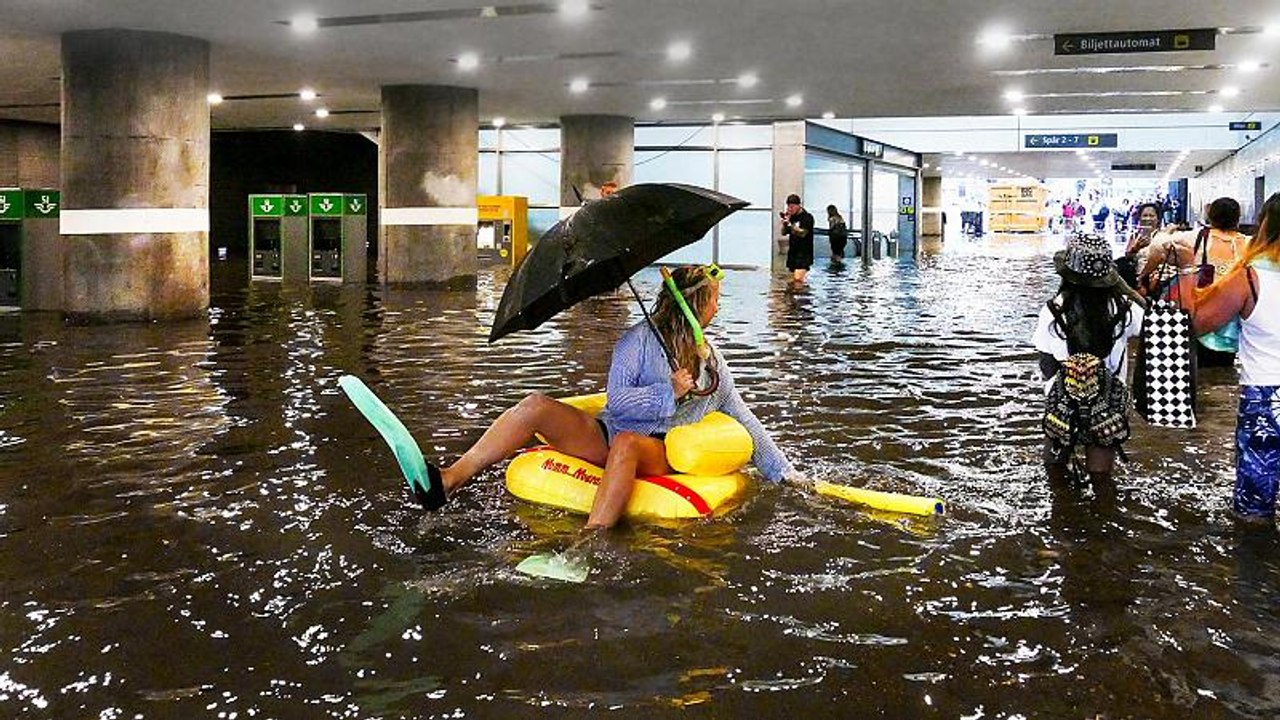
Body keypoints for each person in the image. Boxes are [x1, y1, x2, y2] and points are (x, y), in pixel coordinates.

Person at [426, 264, 799, 529]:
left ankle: (591, 541)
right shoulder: (636, 341)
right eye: (714, 299)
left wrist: (783, 473)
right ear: (697, 304)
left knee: (626, 443)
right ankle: (451, 479)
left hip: (656, 449)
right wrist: (666, 391)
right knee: (535, 405)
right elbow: (617, 402)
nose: (718, 307)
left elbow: (742, 417)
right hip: (610, 433)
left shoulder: (712, 360)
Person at [1166, 192, 1279, 524]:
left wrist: (1187, 269)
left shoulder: (1251, 278)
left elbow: (1195, 323)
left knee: (1255, 510)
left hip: (1267, 398)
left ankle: (1255, 569)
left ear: (1265, 227)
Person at [1032, 233, 1145, 487]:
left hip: (1061, 401)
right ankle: (1103, 518)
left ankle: (1062, 518)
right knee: (1102, 479)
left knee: (1055, 473)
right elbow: (1153, 322)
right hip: (1108, 403)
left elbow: (1047, 363)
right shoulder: (1125, 308)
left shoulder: (1053, 309)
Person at [1143, 197, 1249, 367]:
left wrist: (1144, 276)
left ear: (1210, 215)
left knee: (1189, 366)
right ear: (1238, 218)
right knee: (1222, 368)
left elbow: (1156, 247)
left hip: (1196, 312)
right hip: (1231, 321)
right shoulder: (1248, 243)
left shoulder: (1196, 237)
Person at [1115, 202, 1163, 289]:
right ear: (1139, 218)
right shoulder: (1135, 236)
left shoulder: (1163, 236)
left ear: (1158, 219)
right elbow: (1127, 257)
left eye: (1151, 216)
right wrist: (1135, 248)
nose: (1148, 218)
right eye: (1145, 215)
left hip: (1157, 279)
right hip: (1135, 278)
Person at [780, 193, 814, 284]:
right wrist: (785, 224)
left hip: (804, 254)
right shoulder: (791, 217)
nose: (790, 209)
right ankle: (792, 298)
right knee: (791, 282)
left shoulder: (807, 217)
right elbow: (783, 233)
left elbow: (803, 233)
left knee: (798, 281)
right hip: (793, 253)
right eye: (788, 207)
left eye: (792, 207)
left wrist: (791, 225)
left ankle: (803, 297)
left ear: (798, 205)